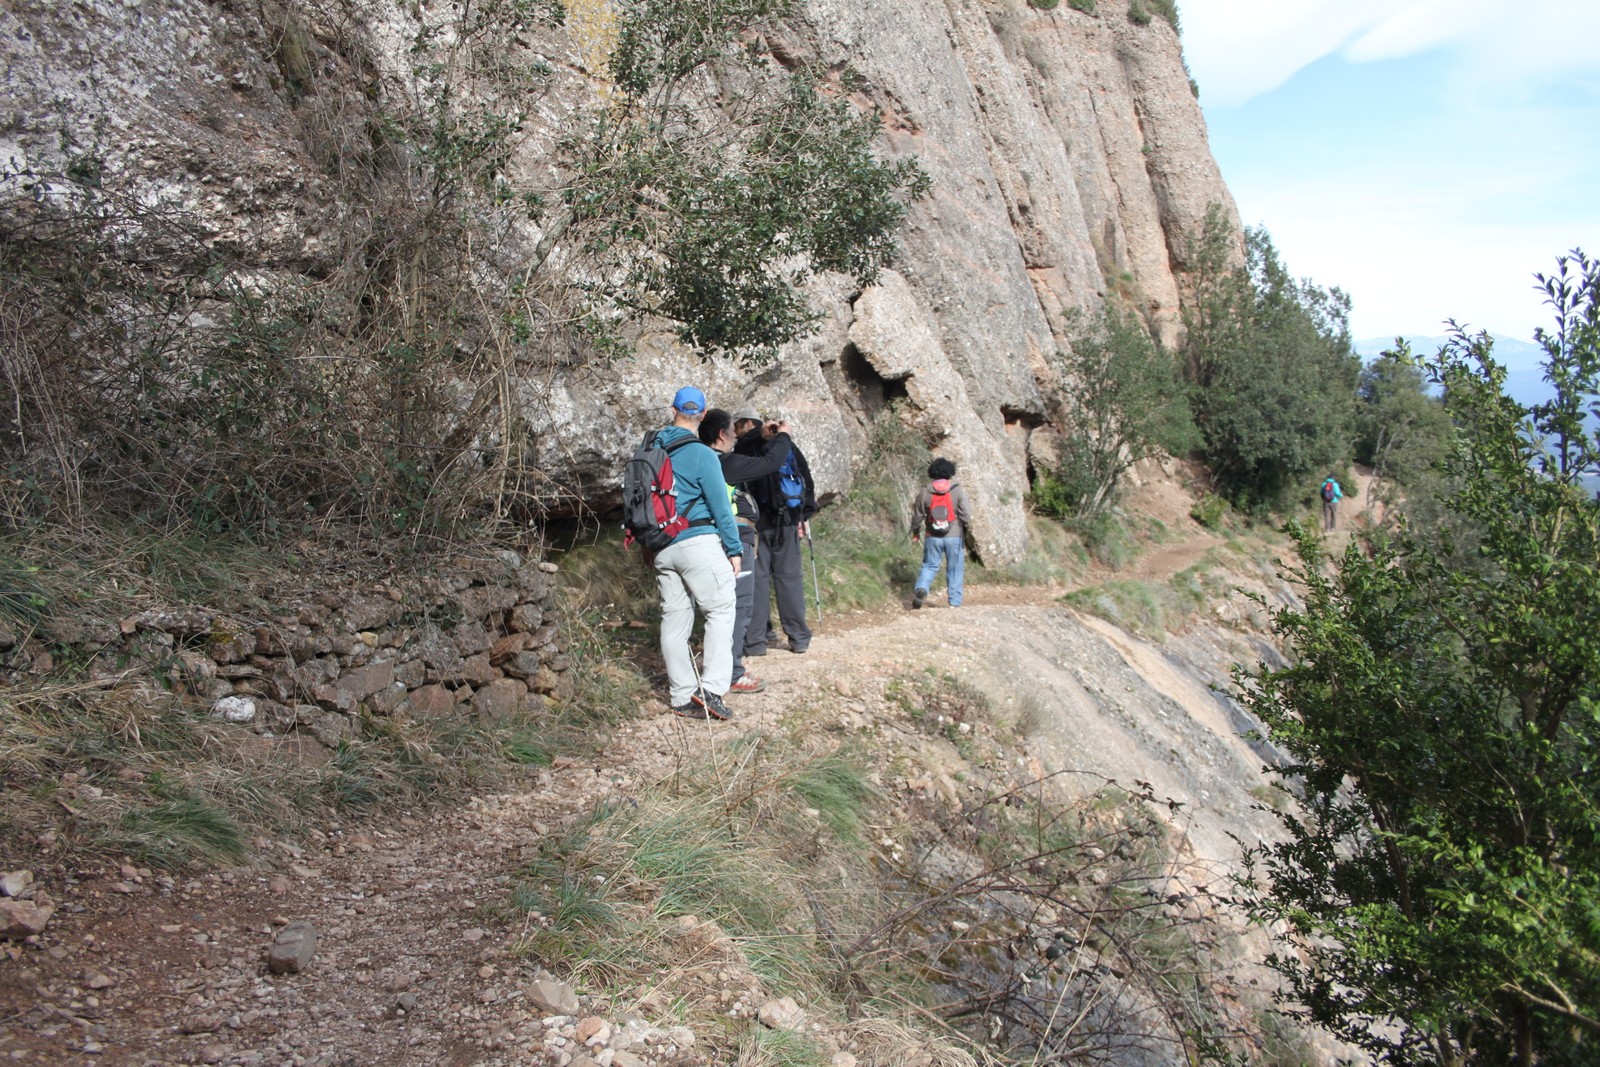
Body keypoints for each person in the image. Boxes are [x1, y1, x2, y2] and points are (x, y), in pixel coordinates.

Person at [649, 387, 743, 720]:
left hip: (661, 546)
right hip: (697, 542)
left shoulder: (650, 449)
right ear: (703, 415)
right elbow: (721, 508)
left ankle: (681, 697)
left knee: (674, 621)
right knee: (720, 610)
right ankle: (711, 690)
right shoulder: (702, 454)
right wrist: (734, 549)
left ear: (672, 409)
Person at [699, 409, 794, 694]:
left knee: (718, 607)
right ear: (721, 435)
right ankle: (732, 673)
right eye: (732, 431)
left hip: (709, 540)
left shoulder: (703, 460)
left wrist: (760, 436)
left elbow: (744, 451)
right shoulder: (725, 463)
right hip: (734, 541)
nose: (735, 437)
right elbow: (771, 462)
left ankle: (720, 668)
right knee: (739, 606)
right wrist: (784, 436)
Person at [732, 407, 816, 656]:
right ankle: (798, 637)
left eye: (737, 426)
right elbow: (805, 478)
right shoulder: (785, 444)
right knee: (789, 578)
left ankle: (755, 642)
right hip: (787, 522)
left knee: (756, 581)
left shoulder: (745, 449)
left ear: (747, 423)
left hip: (756, 525)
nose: (734, 432)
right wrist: (803, 515)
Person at [910, 457, 974, 609]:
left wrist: (915, 532)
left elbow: (918, 516)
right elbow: (966, 515)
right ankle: (954, 602)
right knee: (955, 567)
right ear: (950, 472)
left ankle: (922, 588)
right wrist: (964, 525)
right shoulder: (957, 490)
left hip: (932, 536)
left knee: (930, 565)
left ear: (932, 472)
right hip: (954, 536)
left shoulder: (925, 491)